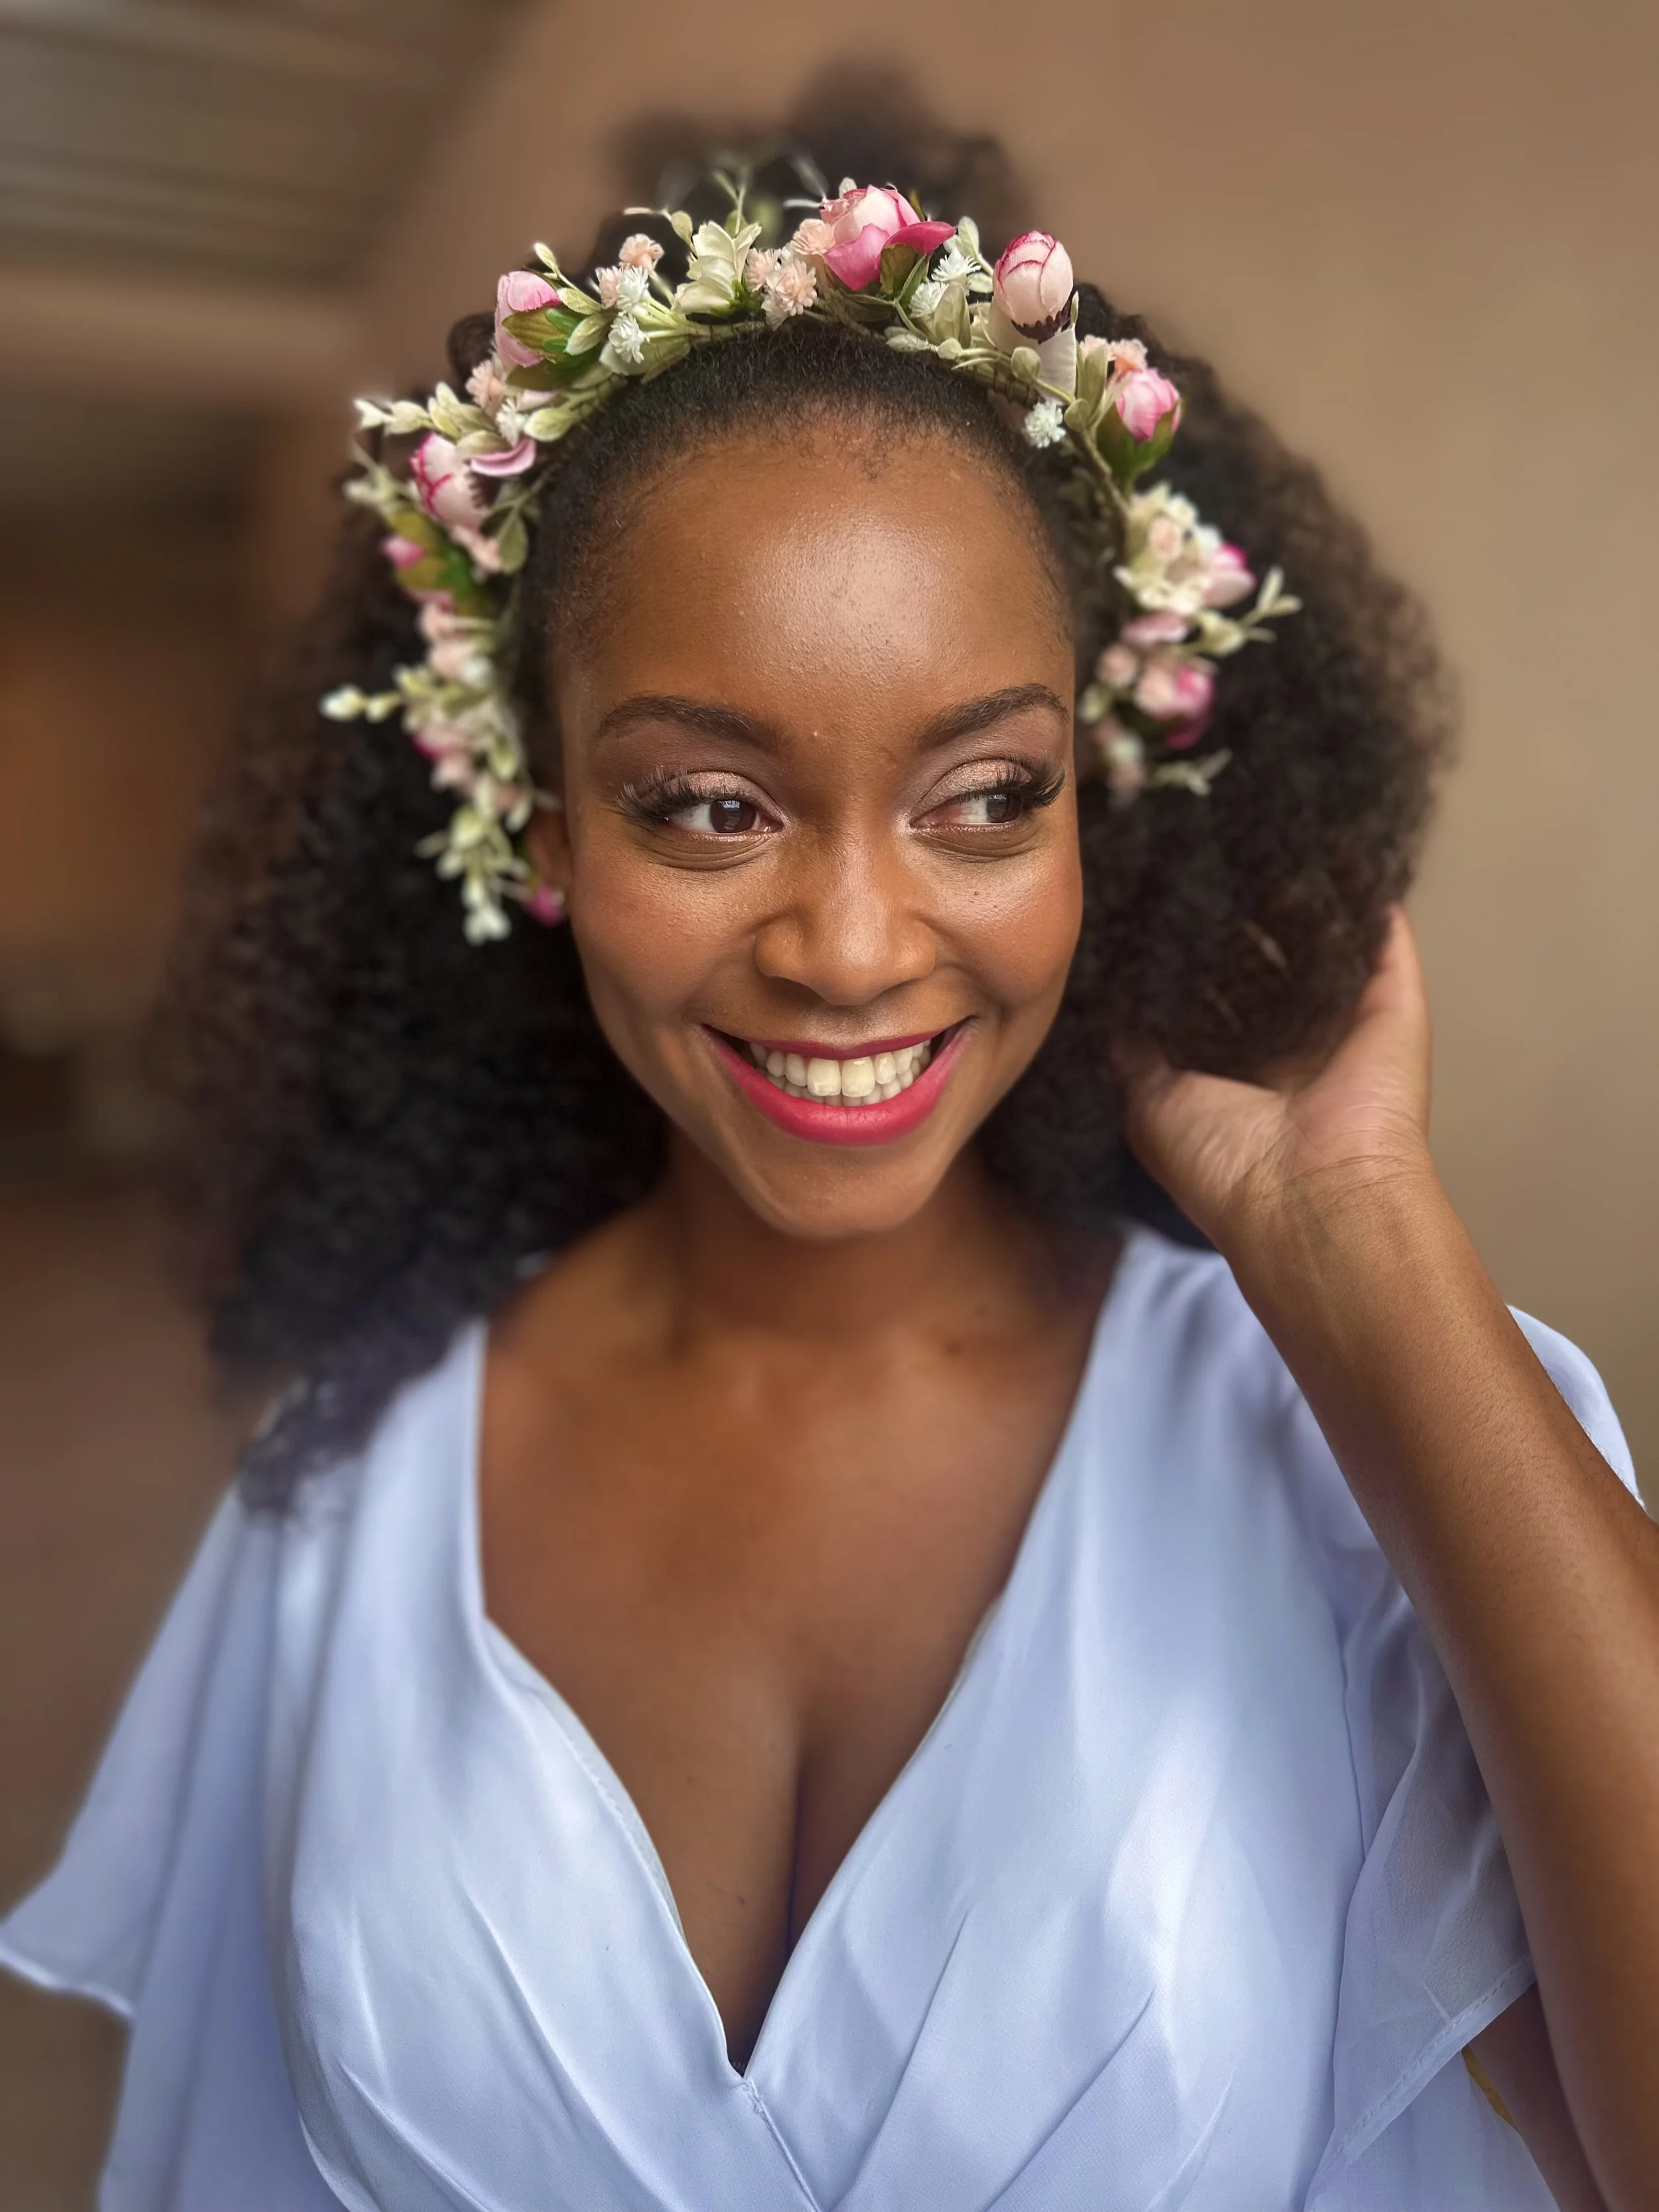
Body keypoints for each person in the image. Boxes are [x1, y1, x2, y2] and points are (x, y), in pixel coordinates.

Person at [3, 105, 1654, 2212]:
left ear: (1097, 816)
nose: (856, 948)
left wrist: (1357, 1238)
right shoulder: (345, 1487)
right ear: (548, 847)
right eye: (707, 806)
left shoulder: (1354, 1429)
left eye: (983, 794)